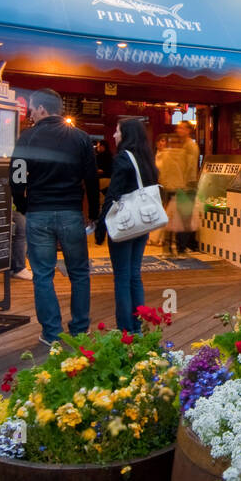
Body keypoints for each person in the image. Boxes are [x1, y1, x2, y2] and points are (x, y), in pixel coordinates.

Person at [10, 89, 99, 345]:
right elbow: (91, 178)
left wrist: (23, 204)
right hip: (71, 213)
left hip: (38, 212)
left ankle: (51, 334)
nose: (30, 115)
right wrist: (92, 213)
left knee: (43, 274)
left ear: (40, 109)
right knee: (79, 273)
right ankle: (80, 329)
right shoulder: (81, 138)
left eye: (31, 110)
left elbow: (16, 177)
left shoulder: (26, 138)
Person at [96, 117, 159, 333]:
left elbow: (113, 194)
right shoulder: (147, 158)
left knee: (122, 277)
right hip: (142, 223)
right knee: (134, 275)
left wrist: (101, 226)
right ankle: (138, 327)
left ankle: (125, 329)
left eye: (117, 131)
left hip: (124, 223)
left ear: (126, 134)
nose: (114, 135)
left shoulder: (123, 158)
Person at [171, 121, 201, 253]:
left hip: (187, 187)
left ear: (188, 130)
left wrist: (182, 184)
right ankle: (185, 245)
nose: (178, 130)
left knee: (184, 217)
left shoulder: (190, 146)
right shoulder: (184, 145)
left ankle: (183, 247)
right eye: (178, 128)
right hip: (183, 186)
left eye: (182, 128)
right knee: (182, 216)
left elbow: (189, 168)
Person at [154, 136, 184, 255]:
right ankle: (162, 239)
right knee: (163, 212)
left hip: (171, 187)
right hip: (162, 186)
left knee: (168, 213)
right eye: (161, 141)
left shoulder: (173, 156)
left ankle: (164, 240)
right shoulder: (159, 155)